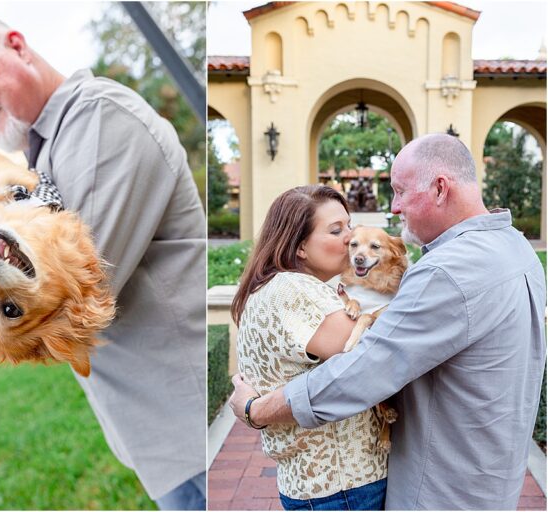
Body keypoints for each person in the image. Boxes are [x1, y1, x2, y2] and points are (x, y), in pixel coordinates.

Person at [0, 13, 207, 509]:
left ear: (18, 46)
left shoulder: (99, 116)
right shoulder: (47, 151)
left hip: (190, 427)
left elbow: (71, 283)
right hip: (158, 435)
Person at [228, 134, 546, 510]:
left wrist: (257, 410)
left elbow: (362, 370)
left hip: (440, 491)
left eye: (399, 191)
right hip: (493, 481)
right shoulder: (517, 248)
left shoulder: (446, 271)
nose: (393, 207)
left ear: (440, 188)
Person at [230, 185, 387, 510]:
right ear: (300, 247)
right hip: (344, 487)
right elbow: (379, 355)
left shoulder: (270, 289)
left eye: (349, 224)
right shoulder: (293, 289)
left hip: (313, 483)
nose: (350, 236)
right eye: (336, 230)